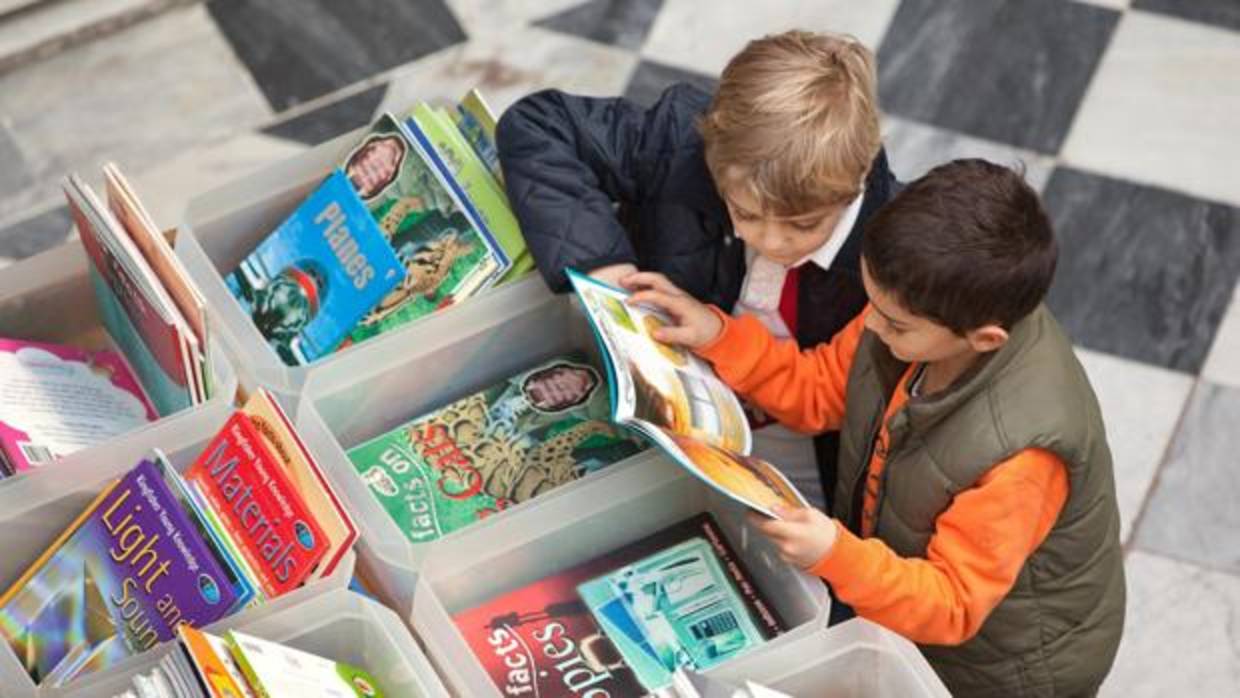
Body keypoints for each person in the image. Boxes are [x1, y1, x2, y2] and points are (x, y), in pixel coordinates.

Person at [623, 159, 1125, 697]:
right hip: (905, 614)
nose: (872, 326)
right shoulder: (909, 316)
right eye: (873, 305)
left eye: (894, 324)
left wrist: (834, 554)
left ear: (983, 340)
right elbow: (818, 388)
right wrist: (717, 335)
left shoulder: (1022, 456)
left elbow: (951, 605)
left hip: (1004, 671)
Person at [497, 30, 897, 511]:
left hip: (800, 452)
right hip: (660, 407)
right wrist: (604, 265)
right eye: (745, 213)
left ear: (855, 183)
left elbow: (828, 399)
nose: (770, 242)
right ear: (713, 158)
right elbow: (537, 125)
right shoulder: (677, 144)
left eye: (804, 225)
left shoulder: (895, 250)